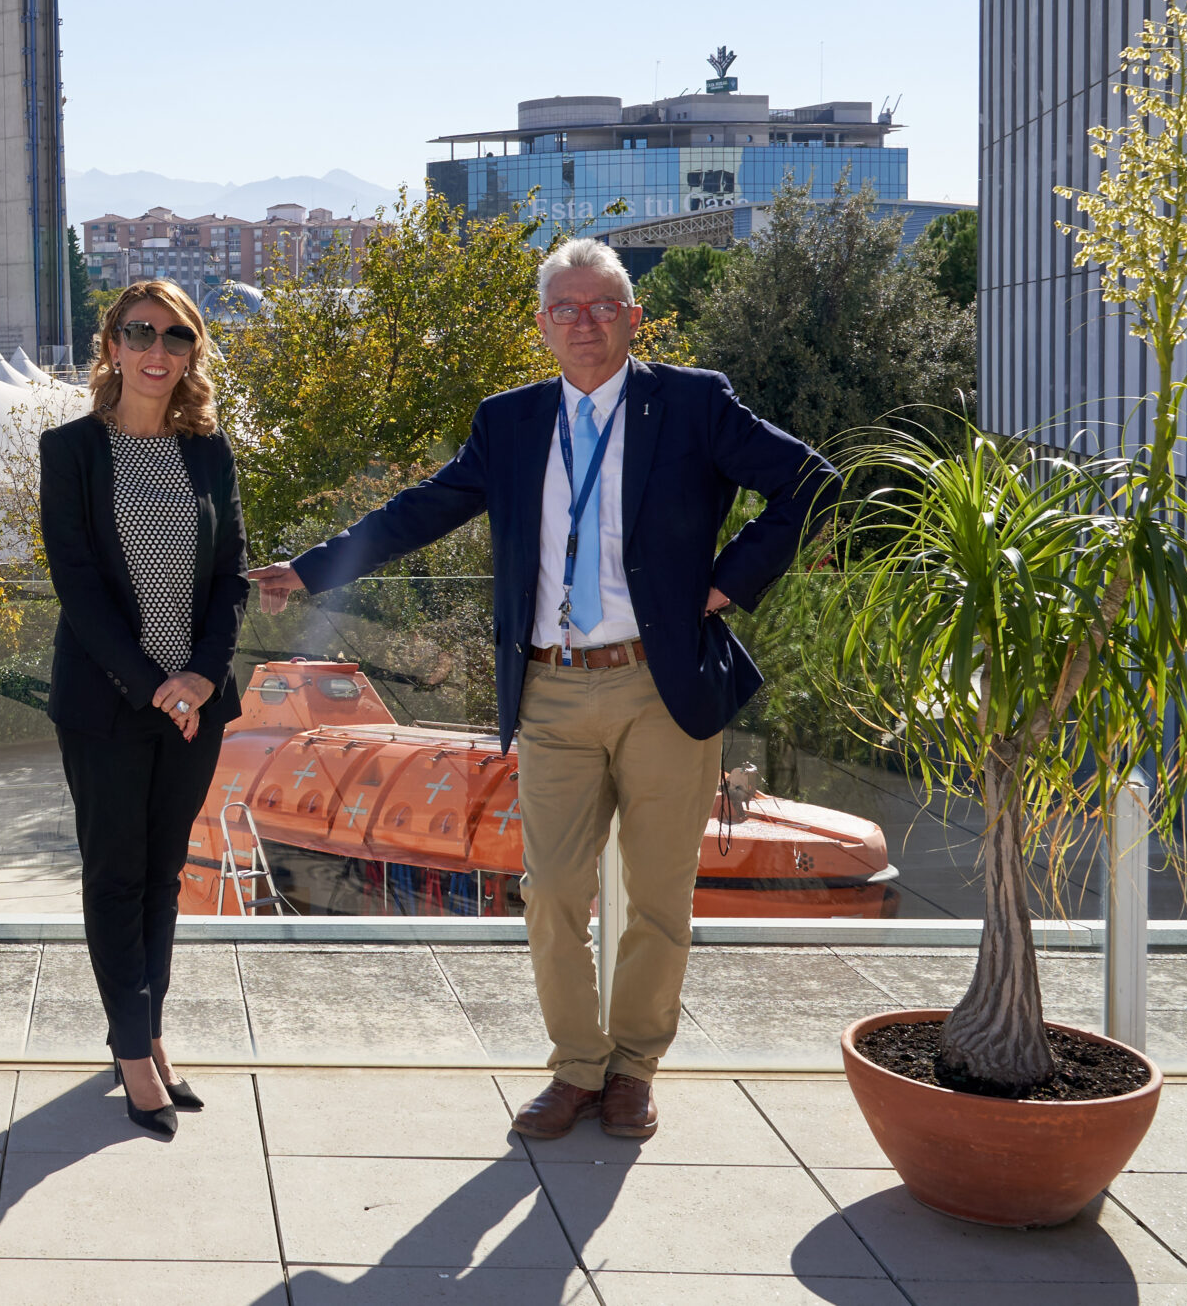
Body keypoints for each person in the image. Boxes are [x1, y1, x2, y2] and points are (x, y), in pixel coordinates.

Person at [249, 237, 834, 1143]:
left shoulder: (691, 403)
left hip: (663, 682)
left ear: (634, 318)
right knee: (552, 888)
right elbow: (423, 508)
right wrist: (315, 569)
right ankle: (575, 1067)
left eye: (603, 305)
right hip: (553, 690)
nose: (586, 322)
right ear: (542, 325)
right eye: (565, 307)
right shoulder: (511, 421)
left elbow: (810, 482)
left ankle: (633, 1068)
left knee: (657, 894)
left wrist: (728, 580)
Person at [40, 282, 249, 1138]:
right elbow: (80, 588)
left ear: (191, 351)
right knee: (115, 874)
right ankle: (133, 1052)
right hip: (107, 701)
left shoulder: (211, 453)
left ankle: (149, 1029)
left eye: (174, 335)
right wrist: (154, 684)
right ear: (112, 346)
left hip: (194, 705)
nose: (156, 348)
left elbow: (233, 576)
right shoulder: (71, 450)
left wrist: (199, 677)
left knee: (164, 876)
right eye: (139, 332)